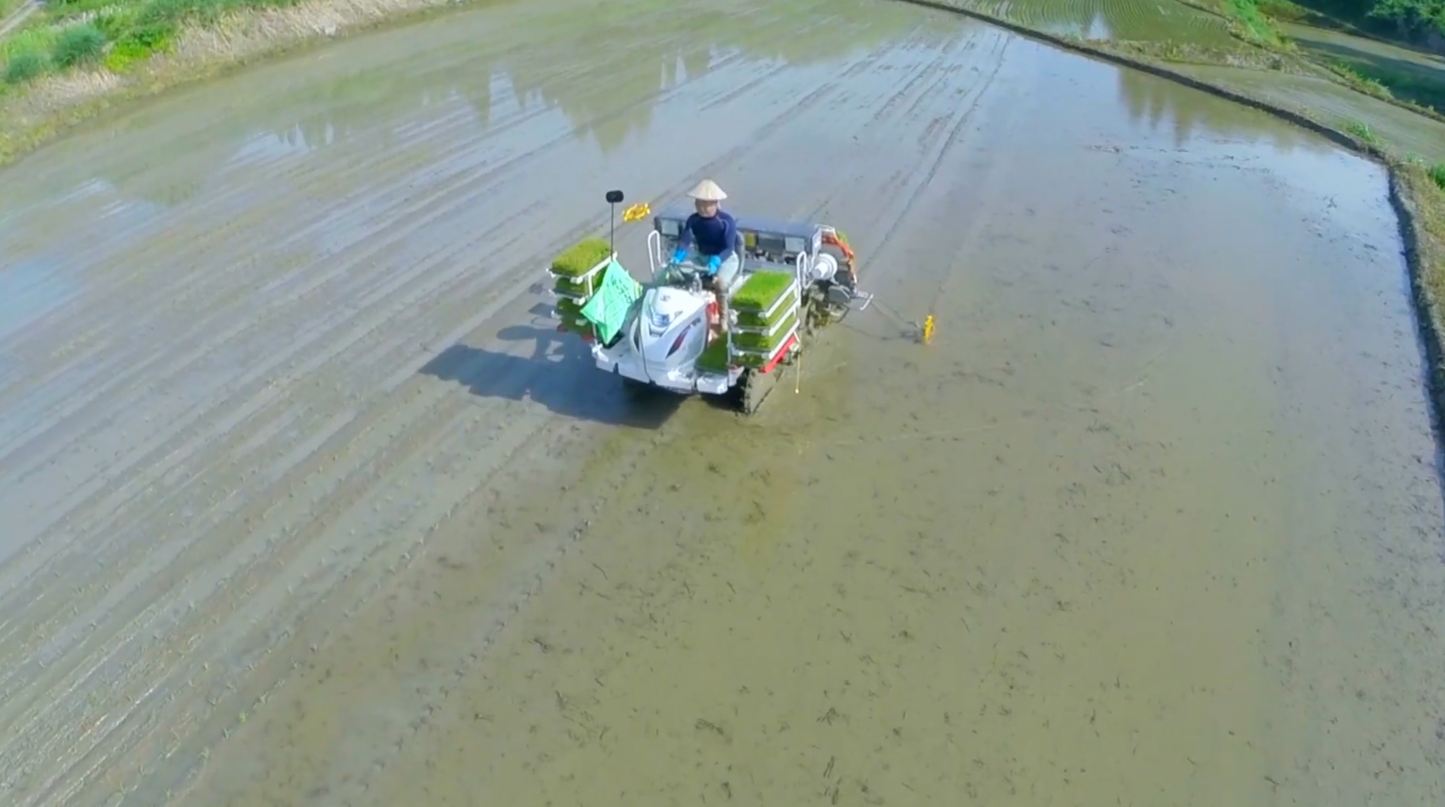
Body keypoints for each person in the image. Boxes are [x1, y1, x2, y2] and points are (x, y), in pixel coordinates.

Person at [672, 179, 741, 295]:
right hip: (701, 258)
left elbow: (728, 248)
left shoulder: (726, 222)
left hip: (725, 260)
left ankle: (724, 312)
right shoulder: (693, 220)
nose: (701, 208)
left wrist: (716, 261)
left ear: (715, 203)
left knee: (720, 284)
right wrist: (678, 256)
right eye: (698, 203)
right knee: (674, 272)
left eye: (705, 204)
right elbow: (685, 241)